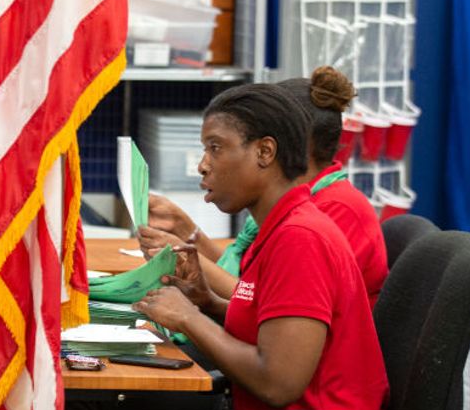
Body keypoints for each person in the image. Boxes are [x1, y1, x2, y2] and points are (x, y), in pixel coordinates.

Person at [132, 83, 390, 410]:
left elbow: (277, 382)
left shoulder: (300, 238)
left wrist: (188, 319)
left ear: (265, 152)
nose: (203, 164)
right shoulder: (280, 227)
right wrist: (208, 302)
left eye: (215, 148)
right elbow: (270, 327)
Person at [138, 67, 388, 307]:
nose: (202, 166)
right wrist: (187, 231)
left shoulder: (330, 212)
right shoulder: (293, 204)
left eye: (217, 148)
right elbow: (249, 285)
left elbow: (262, 305)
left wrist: (190, 313)